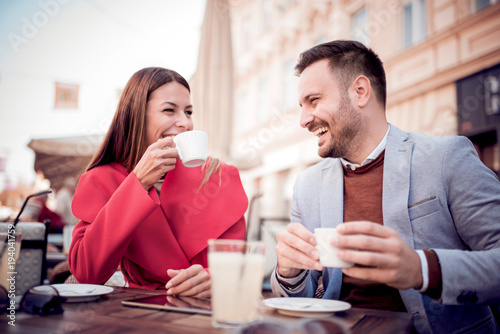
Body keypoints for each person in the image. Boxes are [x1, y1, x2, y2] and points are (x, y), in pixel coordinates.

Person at [270, 40, 500, 333]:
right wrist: (289, 273)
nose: (303, 120)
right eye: (301, 107)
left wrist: (422, 269)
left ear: (360, 92)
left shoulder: (446, 158)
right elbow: (301, 300)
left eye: (313, 101)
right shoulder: (306, 184)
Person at [68, 67, 248, 297]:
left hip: (208, 312)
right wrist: (138, 184)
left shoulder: (219, 176)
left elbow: (239, 263)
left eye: (189, 112)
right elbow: (86, 274)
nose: (185, 123)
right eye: (169, 110)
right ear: (136, 115)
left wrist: (217, 278)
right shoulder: (101, 180)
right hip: (139, 314)